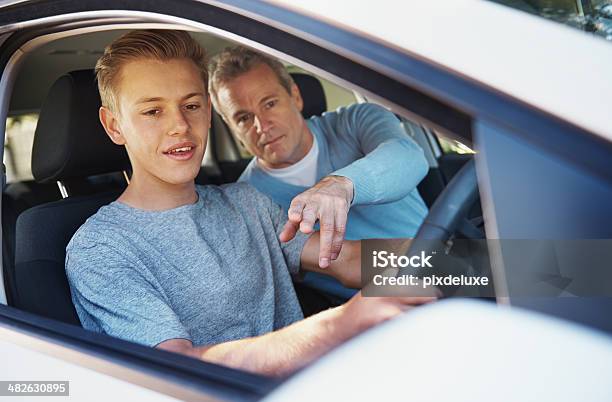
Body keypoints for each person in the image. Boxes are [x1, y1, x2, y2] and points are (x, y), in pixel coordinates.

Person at [65, 30, 437, 377]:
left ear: (208, 113)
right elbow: (175, 364)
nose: (179, 126)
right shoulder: (100, 248)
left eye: (191, 105)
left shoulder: (246, 203)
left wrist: (476, 264)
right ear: (114, 126)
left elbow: (349, 260)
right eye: (152, 111)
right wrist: (340, 323)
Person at [208, 47, 430, 298]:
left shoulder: (356, 121)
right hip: (396, 307)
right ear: (231, 128)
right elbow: (351, 262)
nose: (262, 126)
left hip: (454, 260)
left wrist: (343, 185)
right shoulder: (247, 204)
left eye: (270, 104)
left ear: (295, 96)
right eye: (244, 118)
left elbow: (409, 157)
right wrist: (463, 267)